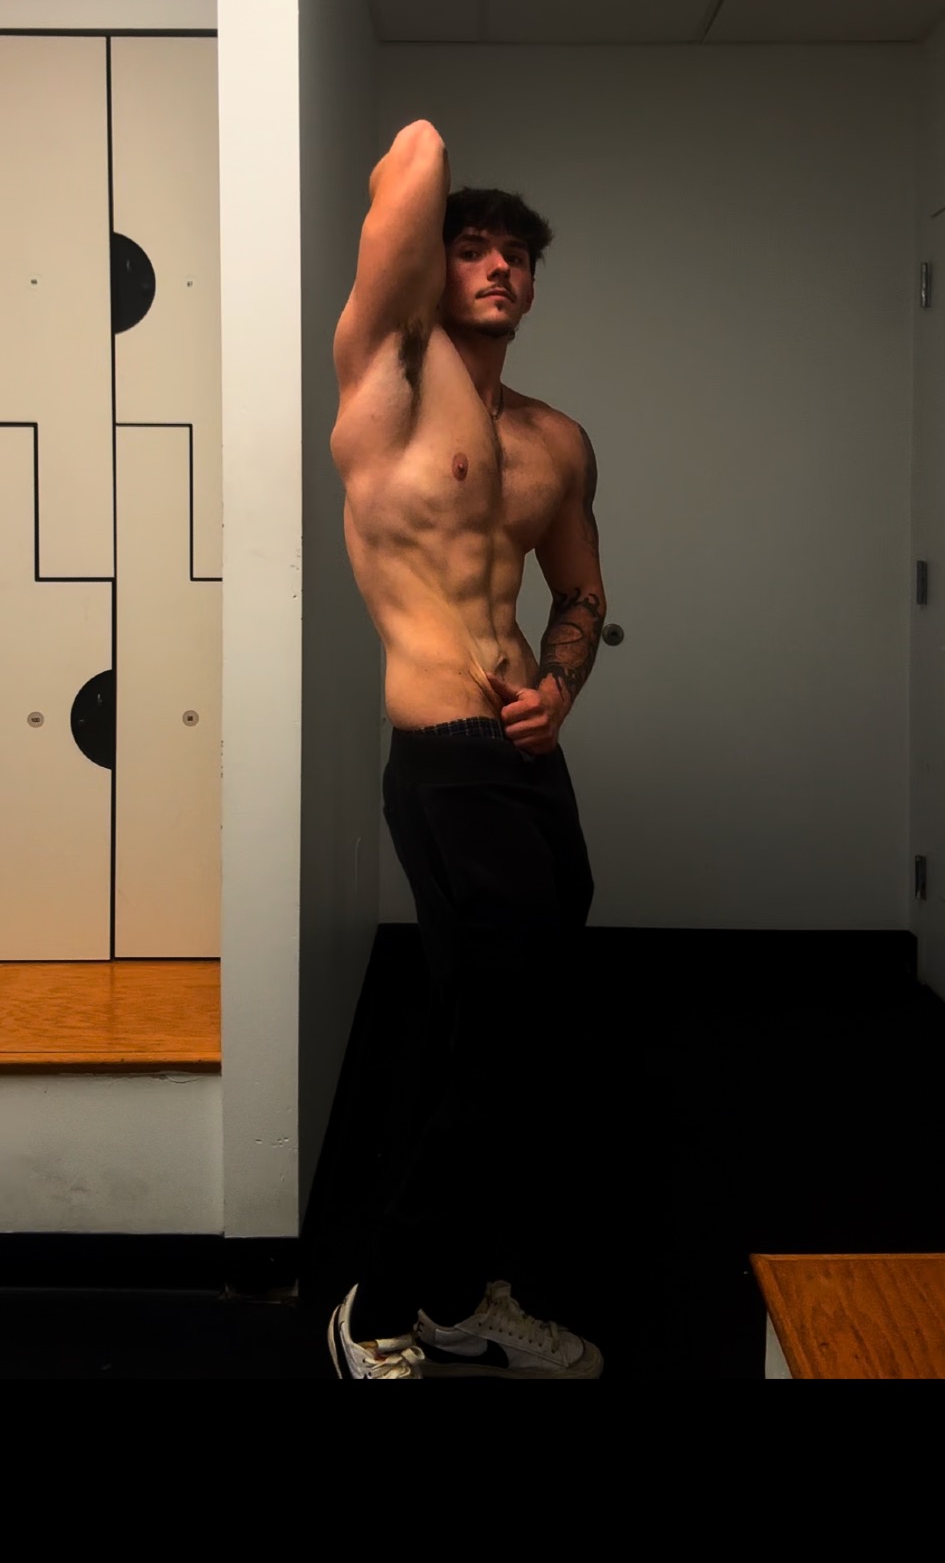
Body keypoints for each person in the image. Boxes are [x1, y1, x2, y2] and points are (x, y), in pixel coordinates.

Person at [327, 119, 607, 1380]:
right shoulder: (383, 384)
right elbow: (416, 152)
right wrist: (436, 217)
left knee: (505, 1038)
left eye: (518, 256)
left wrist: (558, 689)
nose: (500, 267)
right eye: (474, 248)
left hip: (530, 764)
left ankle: (466, 1292)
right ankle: (378, 1305)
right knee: (500, 1042)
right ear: (433, 266)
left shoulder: (557, 441)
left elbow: (581, 595)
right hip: (442, 757)